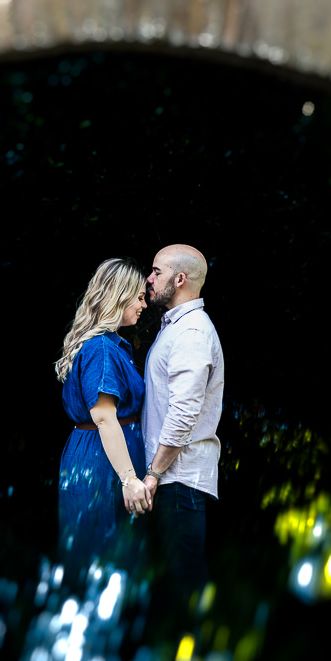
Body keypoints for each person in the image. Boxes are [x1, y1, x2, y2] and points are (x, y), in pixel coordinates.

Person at [55, 258, 154, 580]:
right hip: (103, 460)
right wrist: (129, 479)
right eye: (139, 297)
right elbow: (104, 418)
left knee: (109, 555)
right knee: (103, 557)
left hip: (102, 455)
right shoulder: (101, 348)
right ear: (119, 295)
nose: (144, 305)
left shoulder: (110, 344)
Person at [140, 244, 225, 608]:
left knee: (186, 582)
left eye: (156, 272)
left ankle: (205, 636)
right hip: (173, 480)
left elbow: (183, 414)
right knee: (173, 583)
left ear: (179, 279)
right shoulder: (176, 327)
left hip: (178, 481)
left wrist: (153, 475)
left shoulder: (191, 333)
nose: (149, 278)